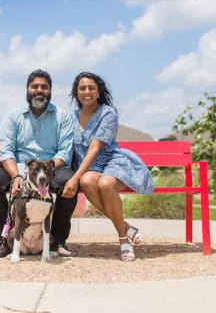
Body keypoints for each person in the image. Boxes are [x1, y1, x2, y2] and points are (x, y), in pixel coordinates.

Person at [0, 69, 78, 258]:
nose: (39, 90)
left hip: (51, 168)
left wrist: (47, 172)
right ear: (27, 90)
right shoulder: (13, 115)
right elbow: (6, 150)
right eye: (35, 86)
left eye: (44, 87)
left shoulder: (62, 117)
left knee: (69, 182)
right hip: (18, 168)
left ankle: (56, 241)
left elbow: (65, 152)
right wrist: (17, 175)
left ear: (50, 91)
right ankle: (6, 240)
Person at [62, 72, 155, 261]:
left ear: (98, 92)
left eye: (91, 88)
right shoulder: (70, 117)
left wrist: (74, 177)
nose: (86, 92)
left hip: (112, 161)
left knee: (105, 184)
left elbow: (95, 148)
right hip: (89, 167)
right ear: (76, 92)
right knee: (88, 181)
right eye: (82, 88)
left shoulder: (108, 113)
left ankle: (123, 240)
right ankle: (127, 227)